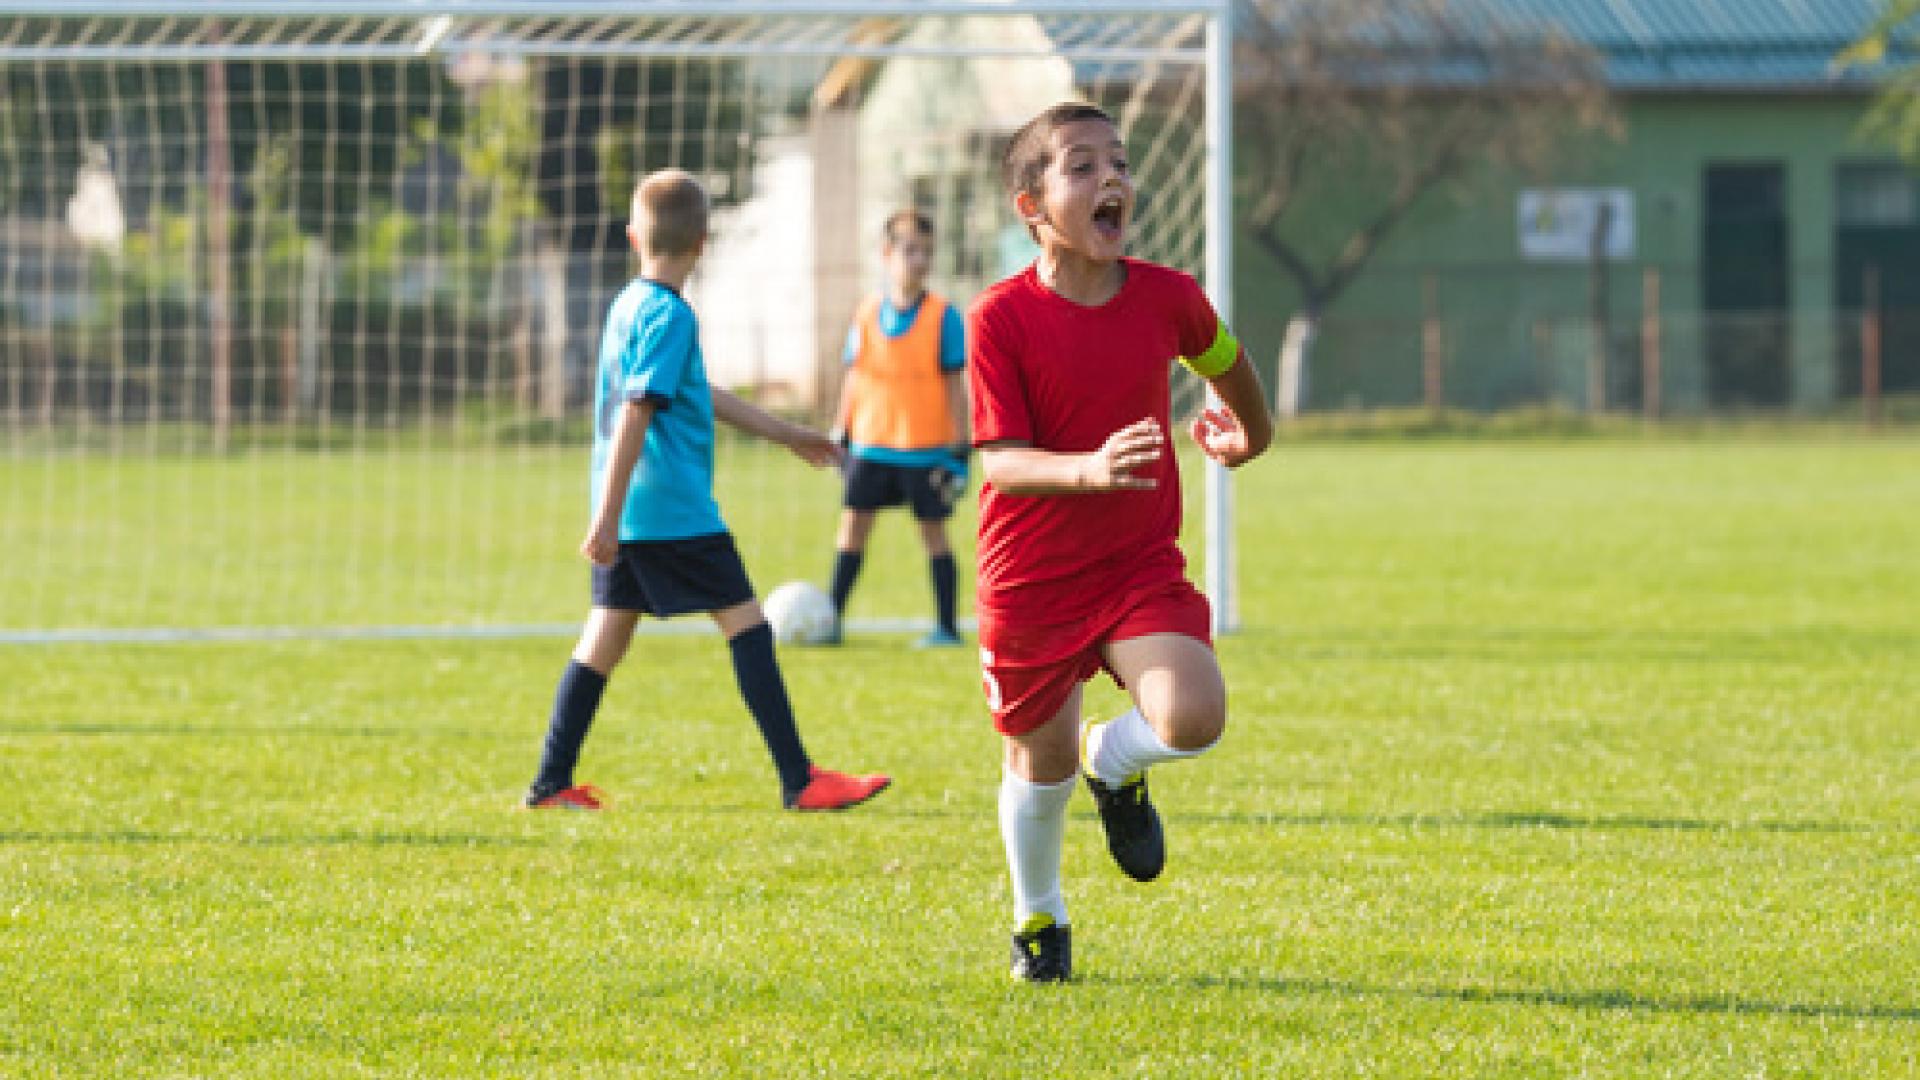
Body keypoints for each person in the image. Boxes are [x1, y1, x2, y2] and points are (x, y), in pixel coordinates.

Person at [966, 103, 1273, 982]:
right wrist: (1091, 470)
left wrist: (1255, 433)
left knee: (1193, 716)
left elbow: (1227, 359)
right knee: (1039, 764)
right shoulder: (999, 319)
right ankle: (1039, 916)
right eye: (1081, 166)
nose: (1112, 180)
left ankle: (1118, 761)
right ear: (1032, 206)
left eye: (1121, 164)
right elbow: (1004, 466)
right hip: (1029, 579)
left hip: (1137, 565)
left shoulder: (1169, 296)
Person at [522, 168, 891, 814]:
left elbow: (694, 392)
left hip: (635, 511)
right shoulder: (671, 316)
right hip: (670, 511)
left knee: (604, 640)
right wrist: (606, 518)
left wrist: (784, 433)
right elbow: (637, 412)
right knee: (747, 625)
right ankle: (798, 778)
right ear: (703, 242)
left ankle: (550, 784)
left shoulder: (629, 306)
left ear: (635, 236)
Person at [824, 209, 970, 647]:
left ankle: (946, 628)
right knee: (852, 528)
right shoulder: (867, 312)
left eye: (927, 251)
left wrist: (960, 450)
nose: (920, 260)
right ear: (886, 254)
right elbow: (854, 375)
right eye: (910, 250)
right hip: (870, 447)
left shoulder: (944, 316)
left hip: (925, 450)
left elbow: (955, 386)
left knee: (933, 534)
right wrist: (840, 433)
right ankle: (830, 621)